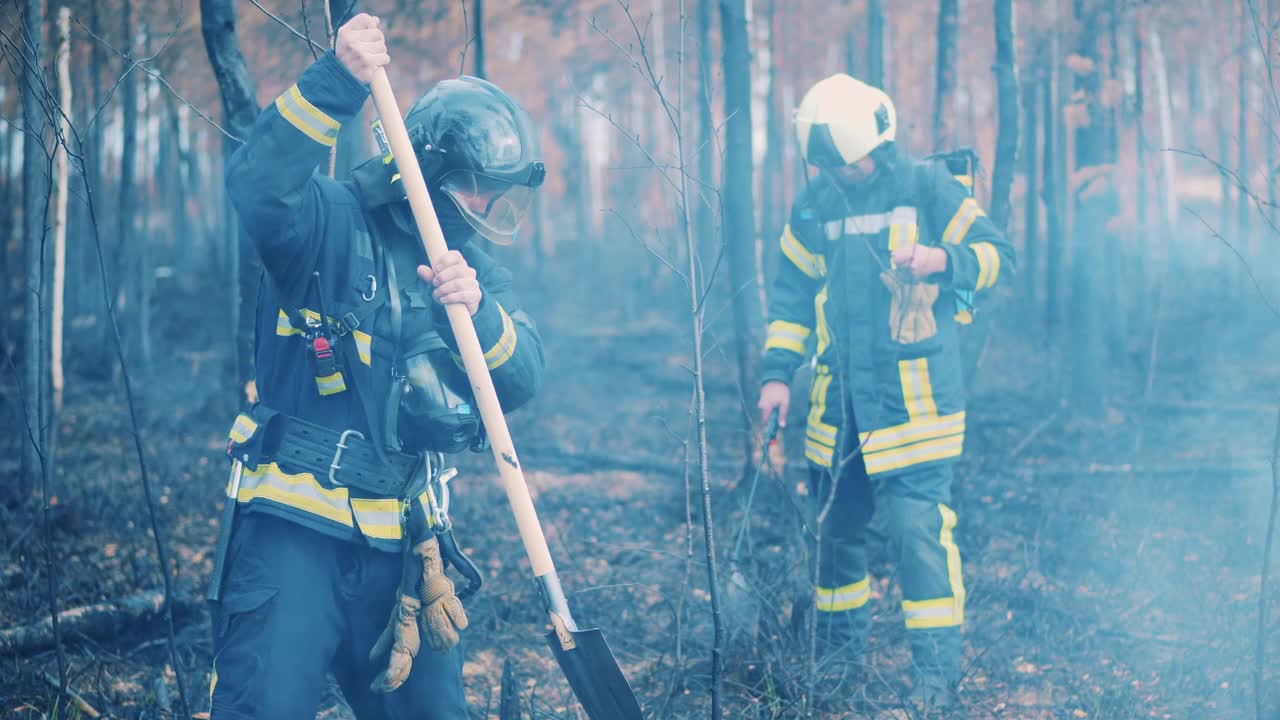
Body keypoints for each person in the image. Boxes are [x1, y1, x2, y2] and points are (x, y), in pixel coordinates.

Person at [210, 13, 545, 719]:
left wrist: (478, 313)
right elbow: (257, 186)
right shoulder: (326, 220)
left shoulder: (473, 272)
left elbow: (521, 380)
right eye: (482, 184)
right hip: (293, 536)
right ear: (437, 168)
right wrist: (337, 80)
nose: (490, 205)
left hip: (406, 551)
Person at [757, 73, 1014, 708]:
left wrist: (943, 259)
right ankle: (840, 668)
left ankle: (935, 681)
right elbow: (790, 295)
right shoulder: (815, 203)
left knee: (916, 538)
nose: (840, 173)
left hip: (916, 414)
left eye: (846, 162)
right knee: (836, 540)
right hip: (836, 416)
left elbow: (998, 257)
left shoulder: (928, 186)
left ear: (878, 140)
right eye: (826, 165)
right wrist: (774, 376)